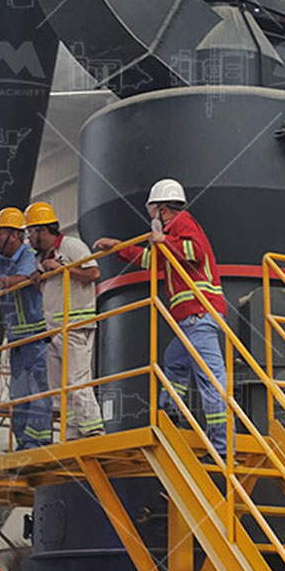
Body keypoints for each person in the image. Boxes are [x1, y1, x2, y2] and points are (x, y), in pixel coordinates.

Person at [93, 179, 228, 455]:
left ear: (162, 209)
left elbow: (195, 251)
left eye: (151, 211)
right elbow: (152, 261)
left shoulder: (181, 223)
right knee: (174, 361)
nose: (151, 217)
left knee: (211, 382)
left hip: (198, 315)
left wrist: (164, 239)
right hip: (190, 320)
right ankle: (172, 411)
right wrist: (119, 248)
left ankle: (222, 447)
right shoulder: (172, 236)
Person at [0, 207, 53, 449]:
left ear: (14, 235)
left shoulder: (28, 255)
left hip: (36, 335)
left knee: (37, 388)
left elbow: (25, 278)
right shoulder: (1, 262)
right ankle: (23, 440)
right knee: (18, 393)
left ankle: (38, 440)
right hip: (17, 338)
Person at [25, 202, 104, 440]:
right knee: (61, 388)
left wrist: (62, 268)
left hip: (75, 325)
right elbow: (55, 292)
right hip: (53, 330)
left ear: (43, 230)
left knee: (77, 380)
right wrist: (40, 280)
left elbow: (94, 273)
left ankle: (93, 430)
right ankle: (72, 434)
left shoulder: (71, 246)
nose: (29, 238)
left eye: (31, 231)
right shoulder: (41, 258)